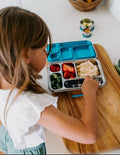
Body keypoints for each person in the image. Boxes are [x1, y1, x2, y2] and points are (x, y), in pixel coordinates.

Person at [0, 6, 99, 154]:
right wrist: (89, 93)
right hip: (29, 149)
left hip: (9, 132)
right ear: (26, 56)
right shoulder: (30, 104)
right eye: (44, 50)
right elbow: (89, 135)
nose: (47, 55)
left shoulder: (5, 71)